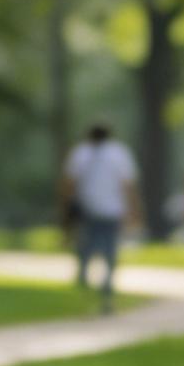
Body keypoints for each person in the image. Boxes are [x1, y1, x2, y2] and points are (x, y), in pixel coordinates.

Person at [62, 123, 138, 310]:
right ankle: (107, 283)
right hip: (113, 209)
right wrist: (133, 210)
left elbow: (70, 183)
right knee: (109, 248)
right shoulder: (119, 153)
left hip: (88, 208)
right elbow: (127, 184)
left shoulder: (80, 153)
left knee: (87, 244)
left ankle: (84, 276)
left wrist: (66, 208)